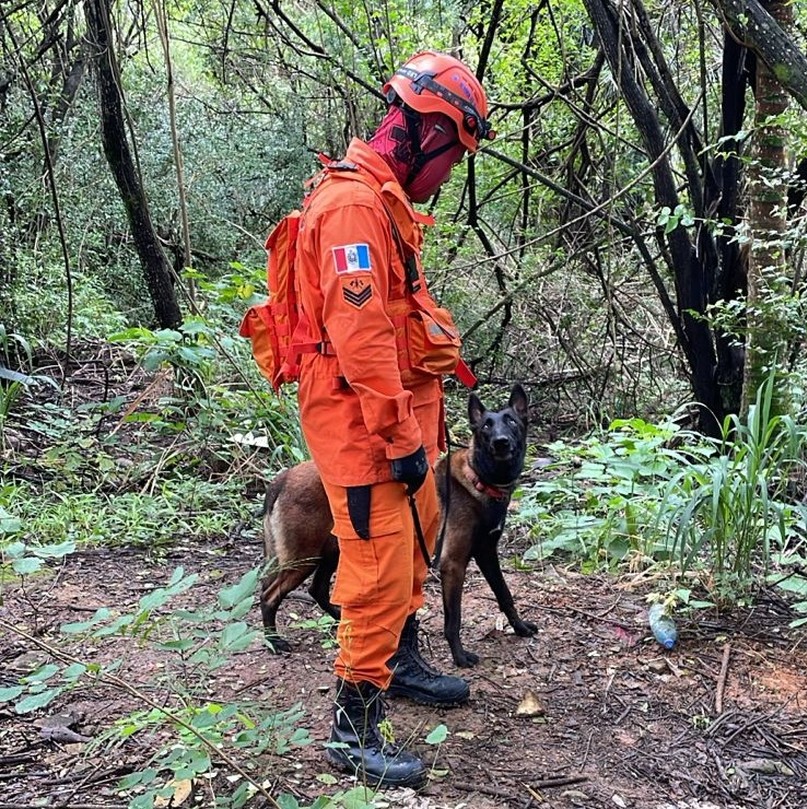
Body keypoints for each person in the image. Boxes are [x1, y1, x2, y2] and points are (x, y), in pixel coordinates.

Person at [290, 51, 495, 788]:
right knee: (376, 570)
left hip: (400, 422)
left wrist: (419, 434)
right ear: (431, 132)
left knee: (412, 549)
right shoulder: (351, 208)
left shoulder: (385, 203)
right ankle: (352, 730)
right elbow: (362, 339)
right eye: (454, 156)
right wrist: (401, 439)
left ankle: (399, 662)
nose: (448, 172)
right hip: (366, 429)